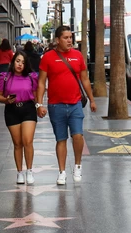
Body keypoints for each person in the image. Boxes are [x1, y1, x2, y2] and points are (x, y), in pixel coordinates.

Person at [36, 25, 97, 186]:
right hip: (56, 106)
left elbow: (84, 79)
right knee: (61, 139)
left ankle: (77, 165)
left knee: (78, 135)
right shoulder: (48, 57)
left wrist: (92, 99)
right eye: (66, 37)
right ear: (57, 40)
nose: (70, 40)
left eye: (71, 37)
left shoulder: (78, 56)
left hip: (75, 103)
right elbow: (41, 82)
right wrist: (38, 104)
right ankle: (62, 172)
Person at [0, 51, 39, 185]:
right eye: (18, 61)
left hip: (28, 109)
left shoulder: (32, 77)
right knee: (17, 143)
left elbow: (35, 93)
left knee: (27, 141)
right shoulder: (4, 77)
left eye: (23, 62)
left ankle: (29, 171)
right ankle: (19, 172)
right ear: (13, 61)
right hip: (11, 110)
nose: (20, 64)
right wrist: (6, 100)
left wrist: (39, 106)